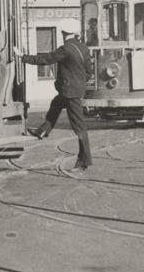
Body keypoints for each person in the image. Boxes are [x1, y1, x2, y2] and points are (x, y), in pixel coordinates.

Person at [20, 19, 93, 172]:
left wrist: (23, 57)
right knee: (56, 104)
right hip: (74, 90)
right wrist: (78, 84)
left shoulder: (66, 49)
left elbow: (46, 59)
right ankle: (43, 130)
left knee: (79, 127)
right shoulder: (84, 48)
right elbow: (88, 72)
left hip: (70, 92)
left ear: (63, 33)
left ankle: (84, 161)